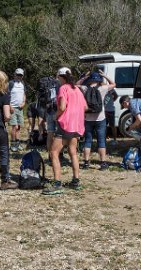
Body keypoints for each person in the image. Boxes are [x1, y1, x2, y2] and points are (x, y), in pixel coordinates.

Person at [42, 67, 87, 195]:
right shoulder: (77, 89)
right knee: (73, 152)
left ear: (61, 77)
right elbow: (85, 107)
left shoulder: (63, 88)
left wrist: (56, 116)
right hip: (77, 126)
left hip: (65, 124)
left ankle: (57, 183)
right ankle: (76, 181)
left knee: (53, 152)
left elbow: (62, 106)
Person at [78, 70, 116, 170]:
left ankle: (86, 163)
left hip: (88, 119)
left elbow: (75, 85)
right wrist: (104, 75)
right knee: (101, 141)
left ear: (90, 80)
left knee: (88, 141)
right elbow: (114, 84)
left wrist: (84, 77)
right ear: (99, 79)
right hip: (100, 118)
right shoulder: (102, 88)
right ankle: (103, 163)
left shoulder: (85, 88)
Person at [8, 68, 26, 152]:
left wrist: (24, 102)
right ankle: (13, 144)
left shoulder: (22, 84)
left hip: (20, 108)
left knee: (19, 127)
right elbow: (7, 95)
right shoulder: (11, 83)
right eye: (18, 75)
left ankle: (17, 144)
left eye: (20, 75)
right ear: (14, 75)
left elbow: (24, 94)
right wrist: (10, 106)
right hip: (12, 108)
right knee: (14, 127)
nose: (19, 77)